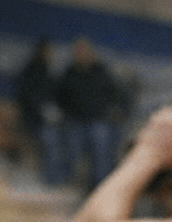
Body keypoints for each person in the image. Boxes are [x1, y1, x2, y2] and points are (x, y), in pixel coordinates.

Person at [53, 38, 125, 191]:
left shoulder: (102, 73)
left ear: (91, 54)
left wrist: (118, 110)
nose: (80, 56)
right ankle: (72, 190)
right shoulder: (69, 74)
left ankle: (99, 191)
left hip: (99, 121)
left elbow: (117, 94)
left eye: (84, 52)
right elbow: (59, 96)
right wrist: (63, 111)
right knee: (72, 157)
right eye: (77, 53)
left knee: (102, 159)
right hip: (75, 122)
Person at [14, 38, 64, 186]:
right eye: (48, 51)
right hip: (32, 120)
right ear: (41, 51)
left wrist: (54, 111)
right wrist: (42, 110)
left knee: (56, 144)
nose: (51, 54)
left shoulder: (49, 71)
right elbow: (27, 96)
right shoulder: (31, 70)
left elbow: (55, 95)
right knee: (49, 143)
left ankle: (51, 181)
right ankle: (48, 182)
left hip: (47, 120)